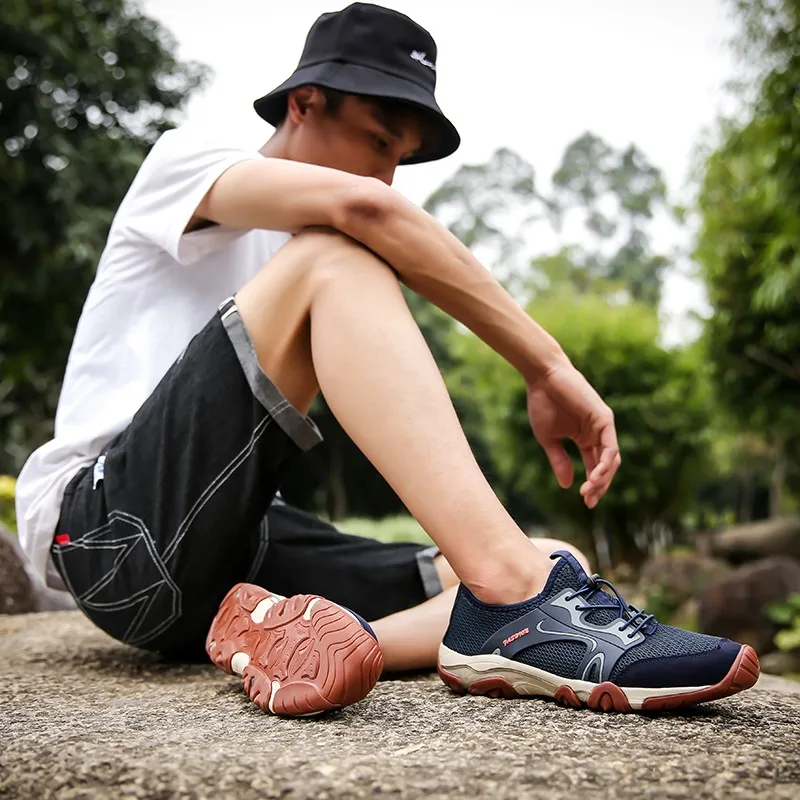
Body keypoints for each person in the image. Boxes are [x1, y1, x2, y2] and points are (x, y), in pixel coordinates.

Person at [15, 2, 759, 717]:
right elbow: (368, 211)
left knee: (551, 555)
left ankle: (321, 644)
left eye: (400, 160)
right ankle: (516, 598)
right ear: (304, 103)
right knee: (339, 254)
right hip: (114, 535)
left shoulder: (298, 257)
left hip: (233, 554)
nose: (386, 178)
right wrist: (547, 367)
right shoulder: (186, 166)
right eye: (378, 142)